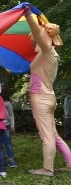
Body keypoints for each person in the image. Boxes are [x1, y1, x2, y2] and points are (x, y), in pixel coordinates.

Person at [25, 7, 71, 176]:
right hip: (48, 97)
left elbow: (37, 34)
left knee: (46, 135)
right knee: (53, 134)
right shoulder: (50, 55)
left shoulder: (47, 51)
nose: (32, 42)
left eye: (34, 40)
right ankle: (70, 163)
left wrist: (28, 15)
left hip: (41, 98)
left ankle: (47, 169)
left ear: (44, 38)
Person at [0, 85, 17, 168]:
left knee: (7, 143)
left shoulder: (7, 103)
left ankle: (10, 158)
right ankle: (0, 157)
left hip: (6, 125)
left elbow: (11, 115)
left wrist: (12, 125)